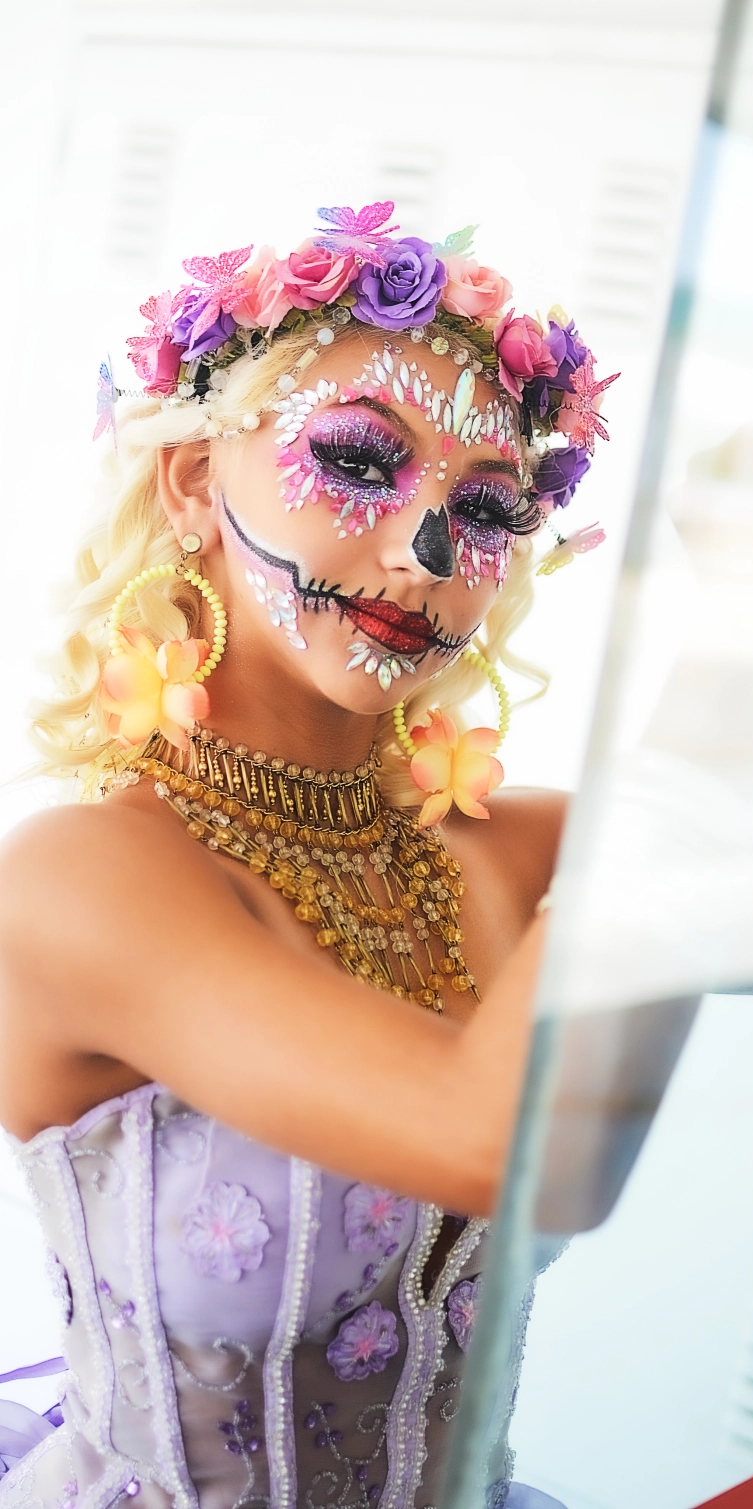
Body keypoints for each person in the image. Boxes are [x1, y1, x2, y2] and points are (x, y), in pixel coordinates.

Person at [0, 202, 615, 1509]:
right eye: (358, 459)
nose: (424, 552)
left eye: (486, 504)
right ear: (190, 482)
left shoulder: (525, 852)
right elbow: (479, 1140)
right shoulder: (73, 882)